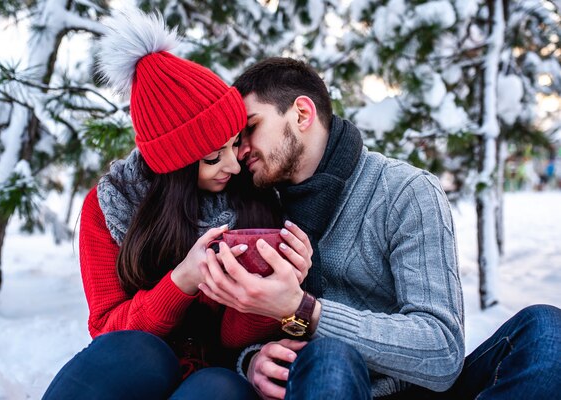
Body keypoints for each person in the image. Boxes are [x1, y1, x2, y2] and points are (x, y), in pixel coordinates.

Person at [198, 57, 561, 399]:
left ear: (302, 114)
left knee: (546, 331)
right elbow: (237, 329)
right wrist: (252, 362)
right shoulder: (258, 205)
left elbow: (442, 350)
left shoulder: (405, 192)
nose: (240, 150)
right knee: (329, 358)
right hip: (323, 383)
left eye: (250, 128)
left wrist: (306, 310)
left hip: (420, 390)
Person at [42, 12, 313, 400]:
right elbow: (106, 331)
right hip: (133, 370)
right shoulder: (112, 205)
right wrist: (181, 281)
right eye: (212, 157)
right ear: (175, 166)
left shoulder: (254, 195)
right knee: (138, 351)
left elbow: (235, 341)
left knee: (217, 386)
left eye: (235, 143)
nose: (235, 165)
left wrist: (265, 283)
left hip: (223, 374)